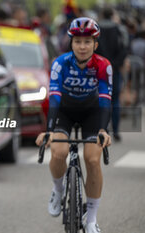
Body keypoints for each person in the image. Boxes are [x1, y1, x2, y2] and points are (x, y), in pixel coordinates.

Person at [36, 17, 112, 233]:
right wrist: (50, 130)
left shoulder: (103, 65)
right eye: (77, 41)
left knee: (92, 159)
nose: (82, 46)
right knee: (58, 152)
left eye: (87, 41)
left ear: (95, 44)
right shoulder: (60, 63)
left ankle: (91, 219)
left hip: (92, 113)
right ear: (71, 43)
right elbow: (55, 97)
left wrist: (103, 130)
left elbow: (105, 98)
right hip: (65, 111)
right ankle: (58, 190)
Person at [96, 7, 128, 142]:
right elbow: (125, 48)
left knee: (100, 98)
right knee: (114, 99)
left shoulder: (96, 30)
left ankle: (102, 128)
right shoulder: (120, 29)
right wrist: (115, 65)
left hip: (98, 69)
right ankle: (115, 130)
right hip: (114, 70)